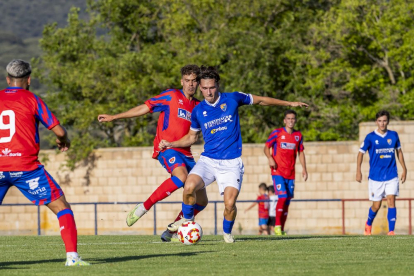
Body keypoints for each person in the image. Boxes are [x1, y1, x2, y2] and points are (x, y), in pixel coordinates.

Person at [159, 66, 308, 243]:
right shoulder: (198, 111)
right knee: (189, 186)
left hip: (231, 163)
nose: (208, 92)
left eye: (212, 87)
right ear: (200, 87)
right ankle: (188, 220)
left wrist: (289, 104)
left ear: (218, 85)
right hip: (208, 160)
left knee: (229, 205)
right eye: (205, 88)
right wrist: (171, 143)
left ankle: (227, 234)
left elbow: (260, 100)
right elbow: (191, 137)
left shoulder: (233, 98)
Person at [98, 64, 208, 242]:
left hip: (186, 153)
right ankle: (143, 207)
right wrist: (115, 116)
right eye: (187, 80)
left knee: (201, 200)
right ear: (182, 81)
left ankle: (172, 230)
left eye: (194, 81)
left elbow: (195, 135)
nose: (190, 84)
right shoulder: (171, 96)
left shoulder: (198, 106)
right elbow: (145, 107)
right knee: (181, 177)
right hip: (167, 148)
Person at [0, 59, 89, 266]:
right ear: (29, 80)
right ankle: (72, 258)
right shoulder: (32, 99)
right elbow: (58, 130)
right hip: (26, 168)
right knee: (61, 206)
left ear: (7, 79)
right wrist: (63, 139)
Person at [356, 110, 407, 236]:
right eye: (379, 121)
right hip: (375, 177)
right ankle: (368, 223)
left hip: (391, 174)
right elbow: (360, 153)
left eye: (384, 121)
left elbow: (399, 152)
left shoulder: (394, 135)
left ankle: (391, 231)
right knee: (376, 205)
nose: (382, 124)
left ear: (388, 121)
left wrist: (404, 169)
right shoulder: (370, 137)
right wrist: (358, 170)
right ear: (376, 122)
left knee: (391, 200)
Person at [263, 109, 308, 236]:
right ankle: (276, 226)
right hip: (277, 171)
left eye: (293, 119)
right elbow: (266, 147)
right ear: (284, 120)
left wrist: (304, 168)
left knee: (287, 201)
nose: (291, 121)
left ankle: (281, 229)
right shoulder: (277, 133)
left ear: (295, 120)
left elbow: (301, 152)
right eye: (288, 118)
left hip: (291, 173)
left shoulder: (298, 135)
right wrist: (270, 158)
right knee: (282, 197)